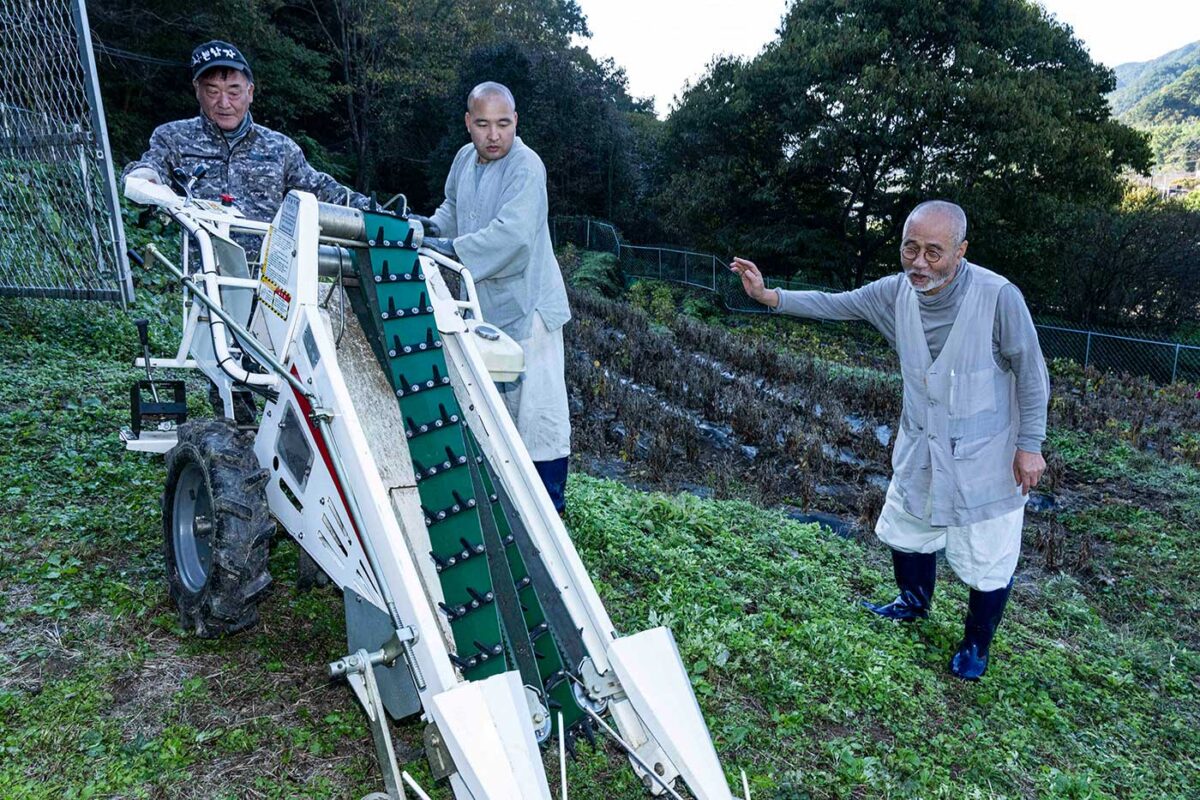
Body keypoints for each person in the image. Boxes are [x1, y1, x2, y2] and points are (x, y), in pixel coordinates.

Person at [730, 201, 1050, 680]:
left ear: (961, 251)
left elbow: (1032, 373)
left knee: (989, 552)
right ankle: (912, 602)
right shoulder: (893, 293)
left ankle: (976, 643)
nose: (919, 263)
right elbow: (834, 304)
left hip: (988, 456)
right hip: (922, 443)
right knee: (908, 526)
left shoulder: (998, 297)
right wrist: (769, 296)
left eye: (934, 253)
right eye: (910, 248)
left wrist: (1031, 445)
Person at [415, 82, 572, 513]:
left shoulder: (526, 165)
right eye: (483, 124)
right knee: (492, 403)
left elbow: (514, 236)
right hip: (485, 304)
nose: (493, 135)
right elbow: (452, 210)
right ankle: (503, 501)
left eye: (503, 124)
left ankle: (548, 507)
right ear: (468, 123)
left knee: (537, 412)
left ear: (515, 121)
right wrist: (429, 228)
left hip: (529, 307)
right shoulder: (465, 160)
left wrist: (453, 249)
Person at [122, 40, 369, 223]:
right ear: (197, 90)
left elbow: (324, 191)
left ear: (250, 92)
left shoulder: (280, 149)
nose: (224, 103)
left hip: (269, 282)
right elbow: (148, 171)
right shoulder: (172, 138)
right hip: (197, 279)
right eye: (212, 91)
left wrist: (379, 214)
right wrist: (142, 177)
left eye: (233, 92)